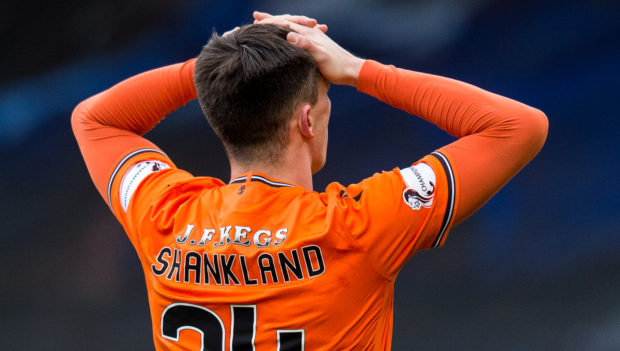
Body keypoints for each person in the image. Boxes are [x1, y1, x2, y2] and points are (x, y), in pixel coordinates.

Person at [72, 11, 547, 351]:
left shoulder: (165, 215)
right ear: (306, 122)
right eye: (325, 101)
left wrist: (218, 64)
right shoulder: (358, 226)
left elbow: (95, 119)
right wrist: (361, 70)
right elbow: (516, 126)